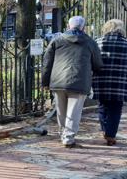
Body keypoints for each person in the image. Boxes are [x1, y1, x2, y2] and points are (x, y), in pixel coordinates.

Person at [42, 16, 103, 147]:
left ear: (69, 26)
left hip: (58, 81)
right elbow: (98, 63)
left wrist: (45, 82)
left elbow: (47, 63)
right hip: (80, 81)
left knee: (61, 110)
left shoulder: (57, 40)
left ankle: (63, 133)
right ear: (83, 27)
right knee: (74, 111)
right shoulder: (90, 42)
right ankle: (68, 137)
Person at [92, 19, 127, 146]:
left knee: (102, 107)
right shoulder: (125, 43)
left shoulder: (97, 43)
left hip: (101, 81)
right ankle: (110, 135)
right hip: (120, 82)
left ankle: (105, 130)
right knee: (116, 109)